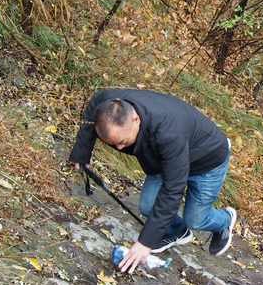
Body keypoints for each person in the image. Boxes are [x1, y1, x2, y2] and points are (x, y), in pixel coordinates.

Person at [69, 89, 238, 273]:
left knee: (196, 219)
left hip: (207, 160)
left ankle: (224, 221)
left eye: (123, 141)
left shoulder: (168, 132)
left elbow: (173, 189)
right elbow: (93, 108)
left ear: (135, 119)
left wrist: (144, 243)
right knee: (148, 206)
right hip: (164, 160)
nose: (119, 147)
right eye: (113, 143)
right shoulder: (108, 104)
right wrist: (82, 152)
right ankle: (178, 231)